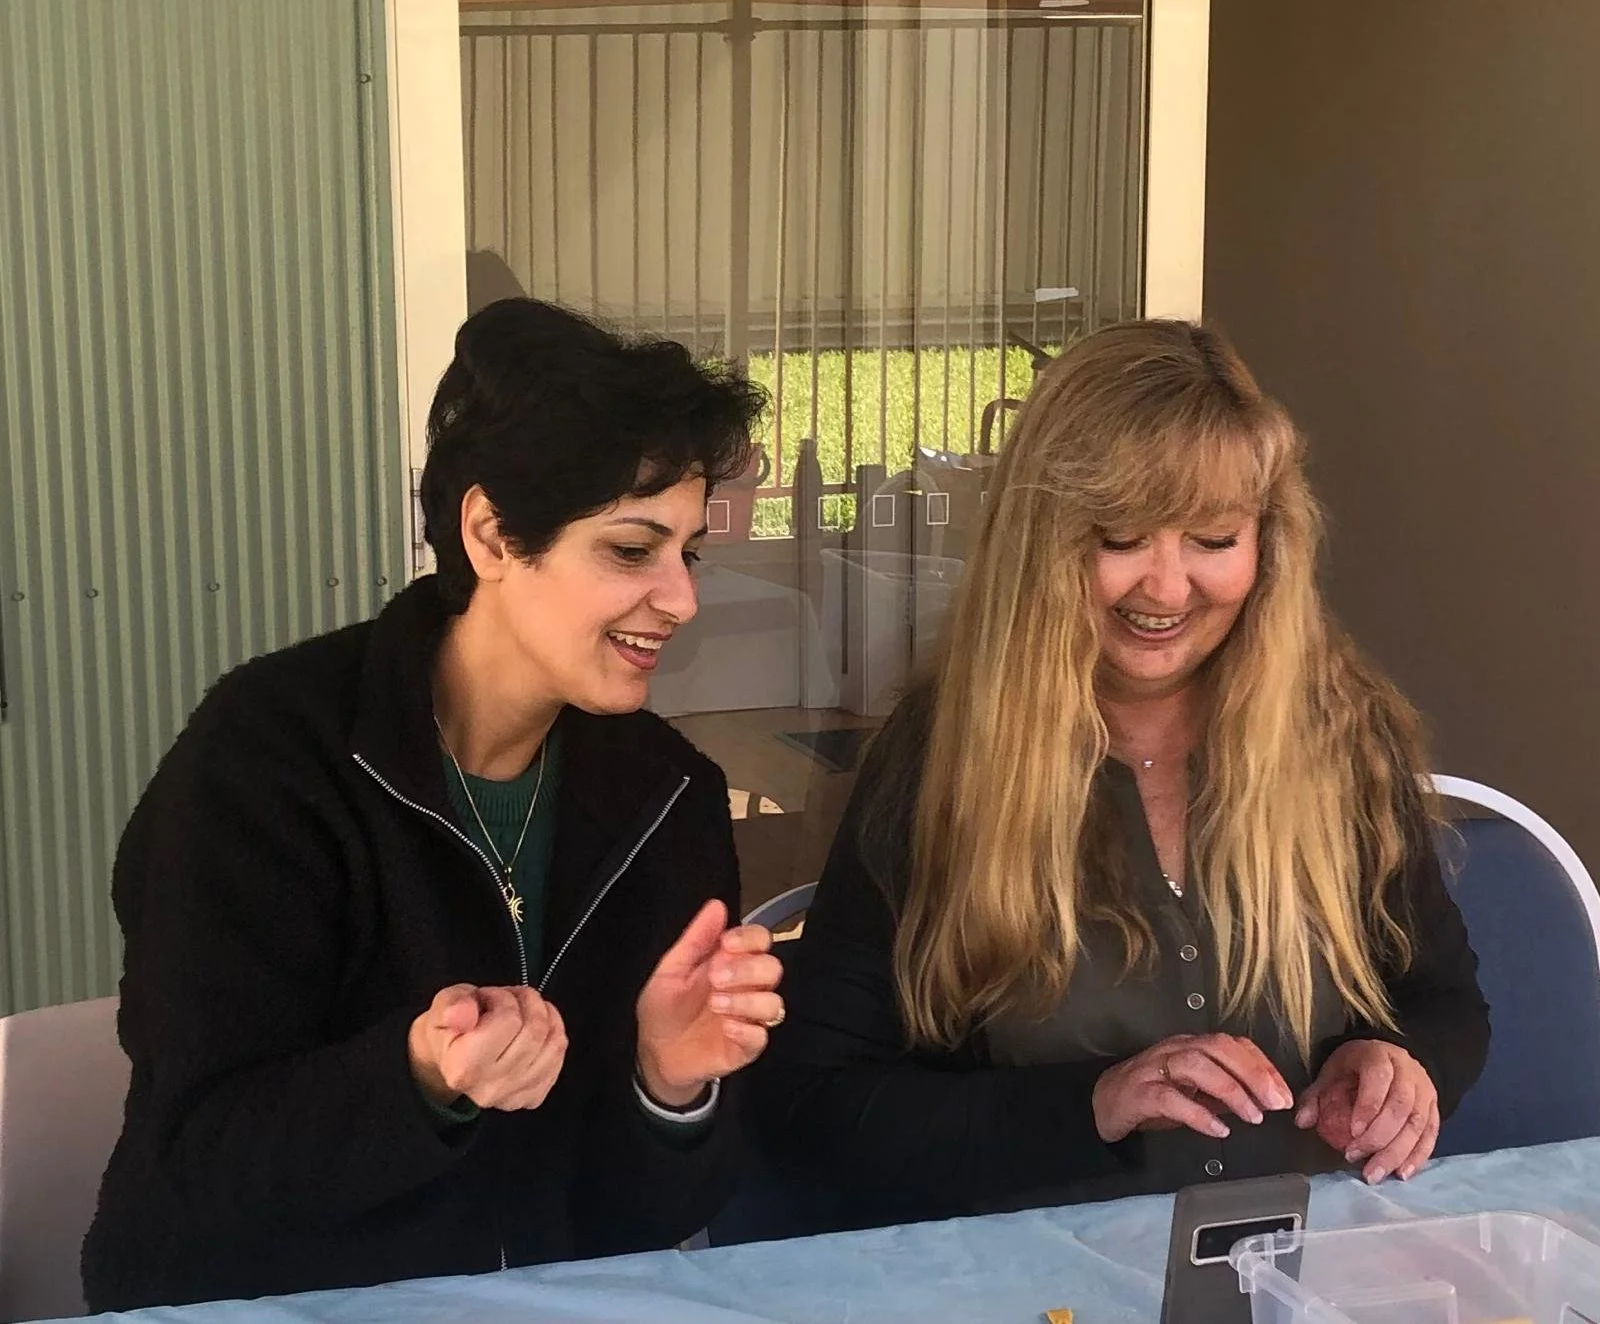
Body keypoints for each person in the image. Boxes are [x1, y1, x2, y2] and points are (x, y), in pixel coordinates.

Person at [84, 299, 785, 1308]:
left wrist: (667, 1081)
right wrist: (419, 1074)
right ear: (493, 533)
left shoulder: (667, 797)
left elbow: (633, 1218)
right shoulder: (271, 756)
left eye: (690, 553)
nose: (681, 598)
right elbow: (205, 1151)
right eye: (633, 549)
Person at [752, 320, 1489, 1230]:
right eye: (1122, 535)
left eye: (1214, 537)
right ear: (1044, 540)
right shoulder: (938, 758)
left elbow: (1445, 1000)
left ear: (1269, 545)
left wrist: (1403, 1065)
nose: (1168, 588)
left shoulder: (1342, 729)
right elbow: (816, 1108)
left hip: (1309, 1267)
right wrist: (1091, 1105)